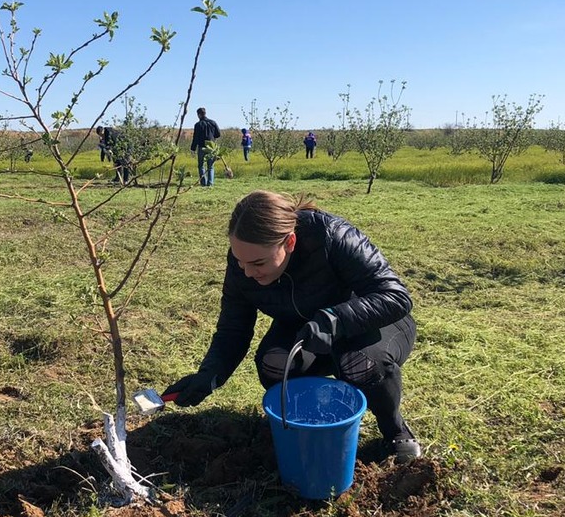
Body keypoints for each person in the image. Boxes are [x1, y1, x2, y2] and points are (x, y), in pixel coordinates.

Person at [163, 190, 421, 464]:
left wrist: (335, 320)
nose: (248, 273)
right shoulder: (244, 263)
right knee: (274, 363)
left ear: (290, 242)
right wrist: (210, 375)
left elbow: (395, 297)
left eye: (258, 263)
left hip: (367, 321)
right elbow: (233, 329)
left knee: (360, 363)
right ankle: (308, 421)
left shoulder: (333, 236)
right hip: (304, 330)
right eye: (240, 262)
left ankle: (394, 429)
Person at [191, 107, 221, 186]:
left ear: (199, 115)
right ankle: (210, 183)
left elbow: (195, 138)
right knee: (210, 166)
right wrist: (212, 137)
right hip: (211, 147)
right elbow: (218, 134)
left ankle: (203, 183)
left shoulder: (197, 125)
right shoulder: (213, 122)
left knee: (201, 165)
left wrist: (193, 148)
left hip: (201, 147)